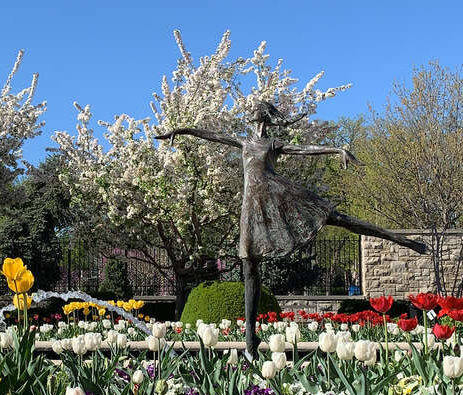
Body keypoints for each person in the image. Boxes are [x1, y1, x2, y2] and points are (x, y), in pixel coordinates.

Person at [156, 101, 427, 358]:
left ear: (265, 118)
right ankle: (251, 339)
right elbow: (210, 135)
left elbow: (305, 149)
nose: (255, 116)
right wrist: (181, 131)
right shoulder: (244, 142)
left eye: (258, 112)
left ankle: (401, 239)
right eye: (254, 113)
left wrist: (337, 149)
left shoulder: (271, 144)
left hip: (278, 196)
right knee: (249, 265)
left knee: (337, 218)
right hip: (252, 207)